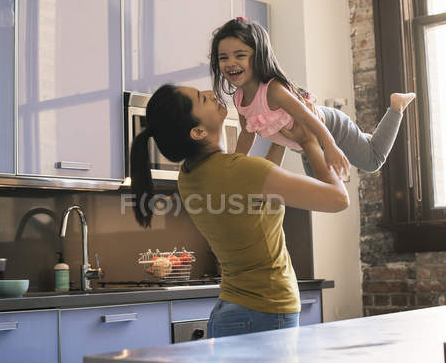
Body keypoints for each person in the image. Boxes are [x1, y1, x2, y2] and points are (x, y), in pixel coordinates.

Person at [130, 83, 348, 338]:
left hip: (233, 312)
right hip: (266, 311)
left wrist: (279, 138)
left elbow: (255, 189)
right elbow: (338, 199)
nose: (212, 94)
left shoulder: (188, 176)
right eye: (203, 98)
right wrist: (309, 141)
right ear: (198, 131)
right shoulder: (240, 171)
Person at [210, 17, 416, 178]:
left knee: (372, 162)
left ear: (258, 56)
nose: (230, 63)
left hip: (331, 128)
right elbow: (247, 133)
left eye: (240, 55)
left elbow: (309, 118)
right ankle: (364, 138)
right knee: (320, 185)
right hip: (303, 143)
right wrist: (235, 162)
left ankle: (396, 106)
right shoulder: (239, 98)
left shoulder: (273, 90)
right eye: (223, 57)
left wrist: (332, 146)